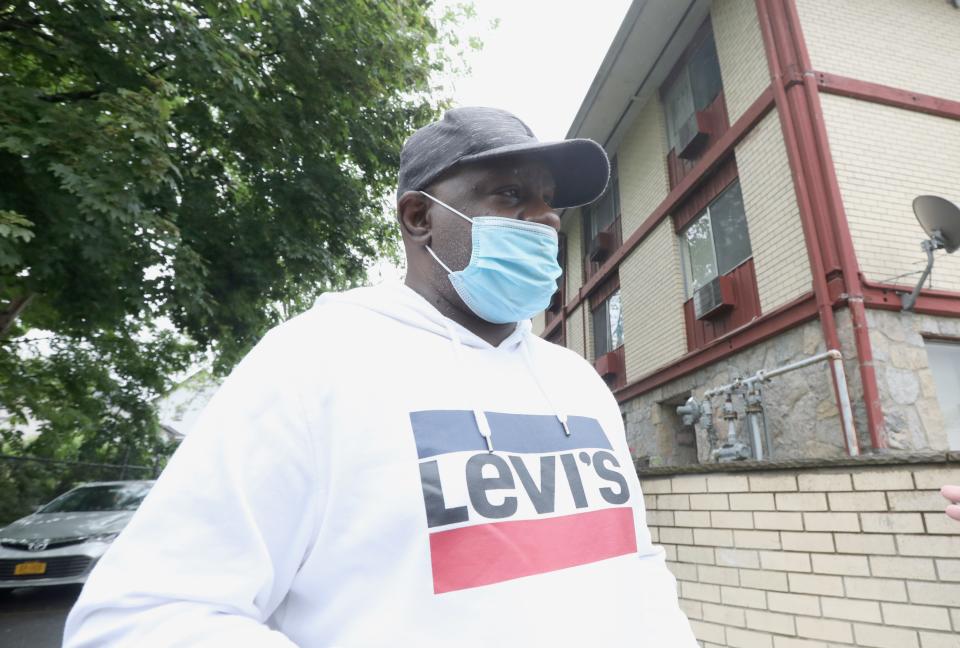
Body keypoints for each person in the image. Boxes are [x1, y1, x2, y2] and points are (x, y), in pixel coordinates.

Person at [63, 107, 697, 647]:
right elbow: (140, 617)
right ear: (419, 217)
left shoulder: (578, 383)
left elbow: (634, 564)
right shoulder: (314, 363)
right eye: (510, 194)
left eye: (548, 199)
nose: (546, 218)